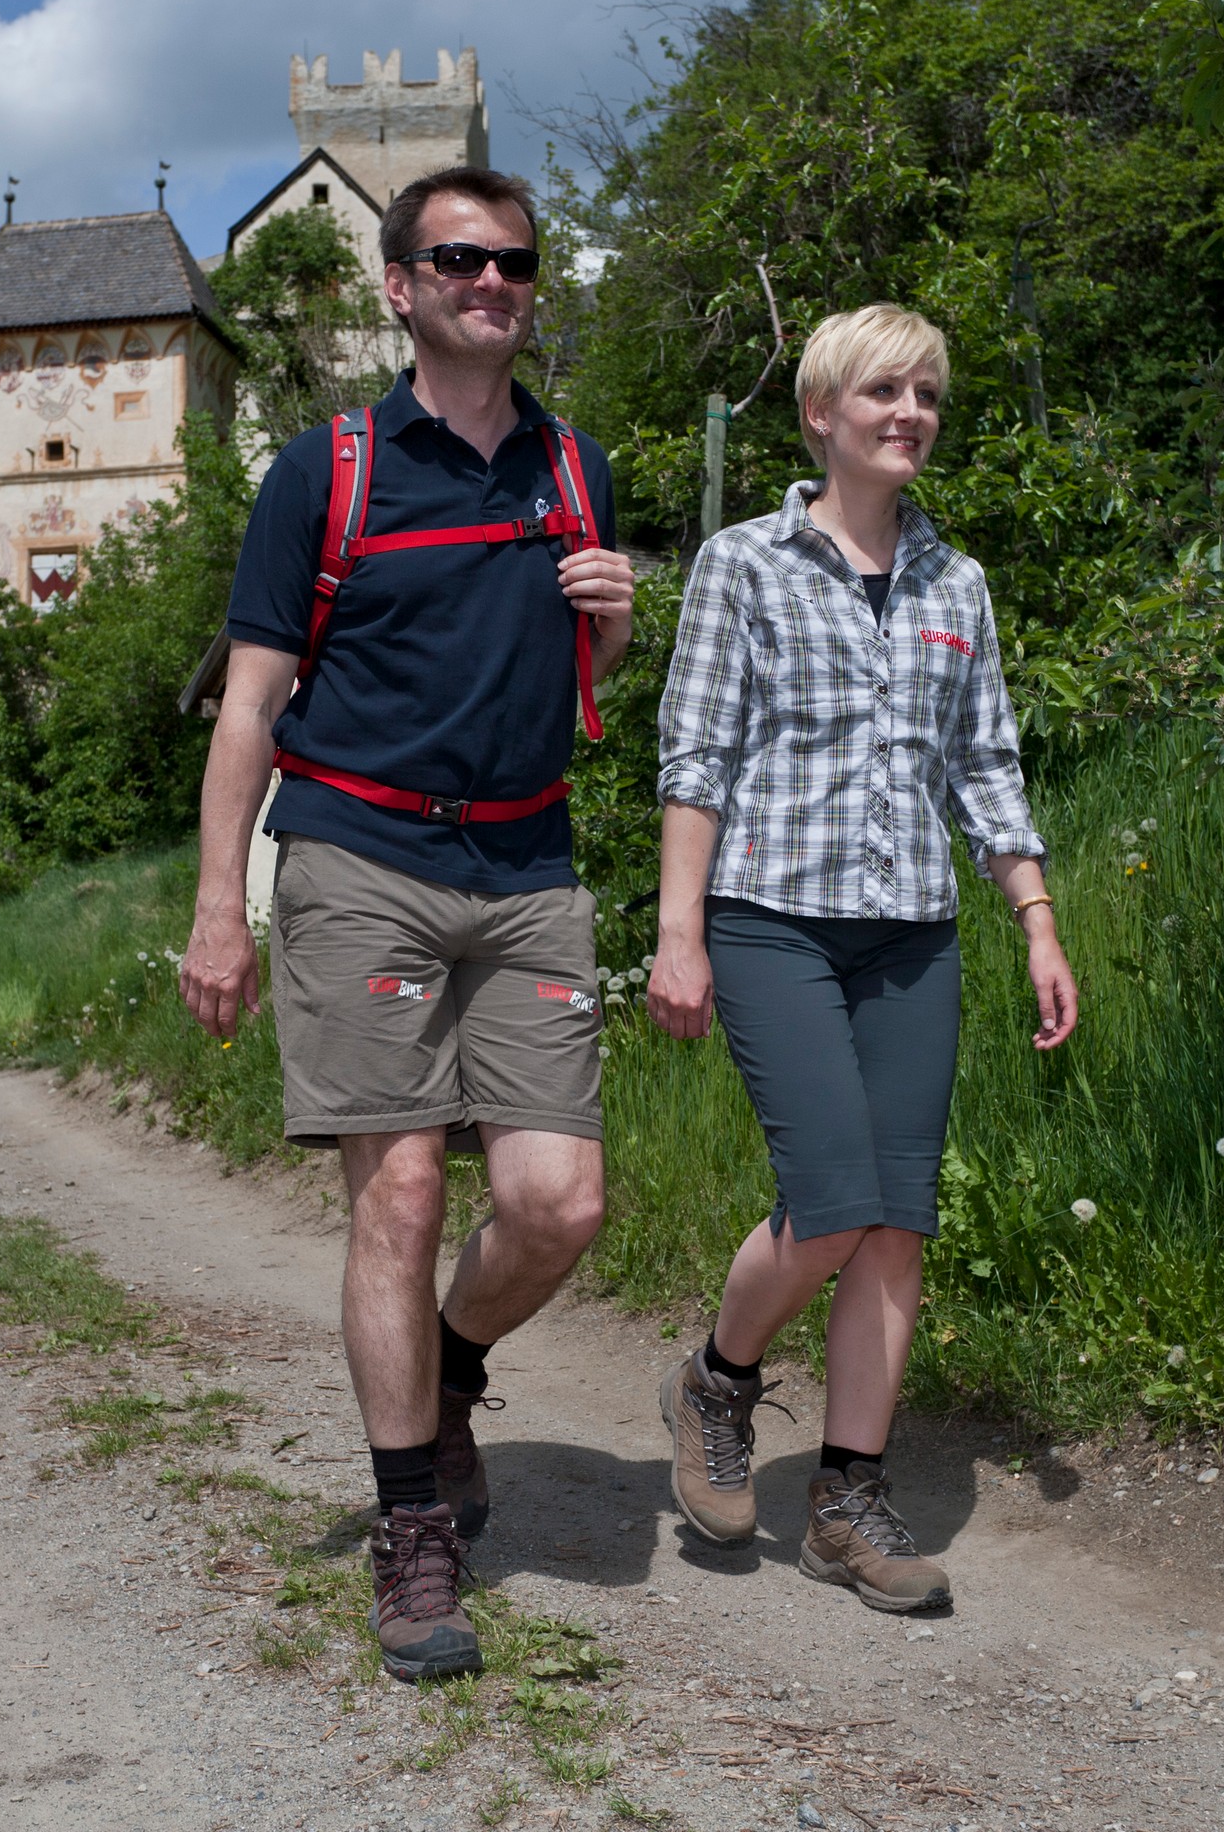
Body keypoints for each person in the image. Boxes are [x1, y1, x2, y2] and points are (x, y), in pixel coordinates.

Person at [179, 166, 636, 1681]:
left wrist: (615, 636)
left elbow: (566, 682)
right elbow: (249, 706)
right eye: (458, 259)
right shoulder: (330, 470)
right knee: (401, 1201)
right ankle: (411, 1533)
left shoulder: (576, 469)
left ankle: (445, 1375)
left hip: (529, 870)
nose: (490, 282)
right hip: (358, 853)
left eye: (512, 262)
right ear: (400, 285)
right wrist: (217, 914)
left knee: (559, 1203)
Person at [646, 303, 1077, 1614]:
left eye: (927, 395)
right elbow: (696, 757)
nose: (910, 414)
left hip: (912, 933)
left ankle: (848, 1498)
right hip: (771, 917)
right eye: (883, 392)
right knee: (831, 1198)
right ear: (821, 415)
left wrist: (1038, 917)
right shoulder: (746, 564)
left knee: (898, 1223)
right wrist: (677, 932)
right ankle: (720, 1381)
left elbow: (985, 763)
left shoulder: (960, 584)